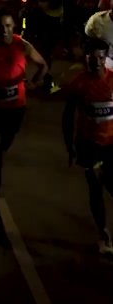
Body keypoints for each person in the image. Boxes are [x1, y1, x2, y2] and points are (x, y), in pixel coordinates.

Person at [0, 11, 47, 245]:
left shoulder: (21, 44)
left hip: (15, 110)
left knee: (2, 149)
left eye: (7, 26)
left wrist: (35, 81)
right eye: (0, 27)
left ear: (13, 26)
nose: (4, 31)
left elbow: (42, 64)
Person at [62, 38, 113, 255]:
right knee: (95, 186)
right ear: (86, 59)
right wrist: (69, 147)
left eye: (102, 58)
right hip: (87, 144)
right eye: (93, 58)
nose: (98, 62)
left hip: (111, 144)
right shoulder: (79, 84)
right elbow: (67, 117)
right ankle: (103, 233)